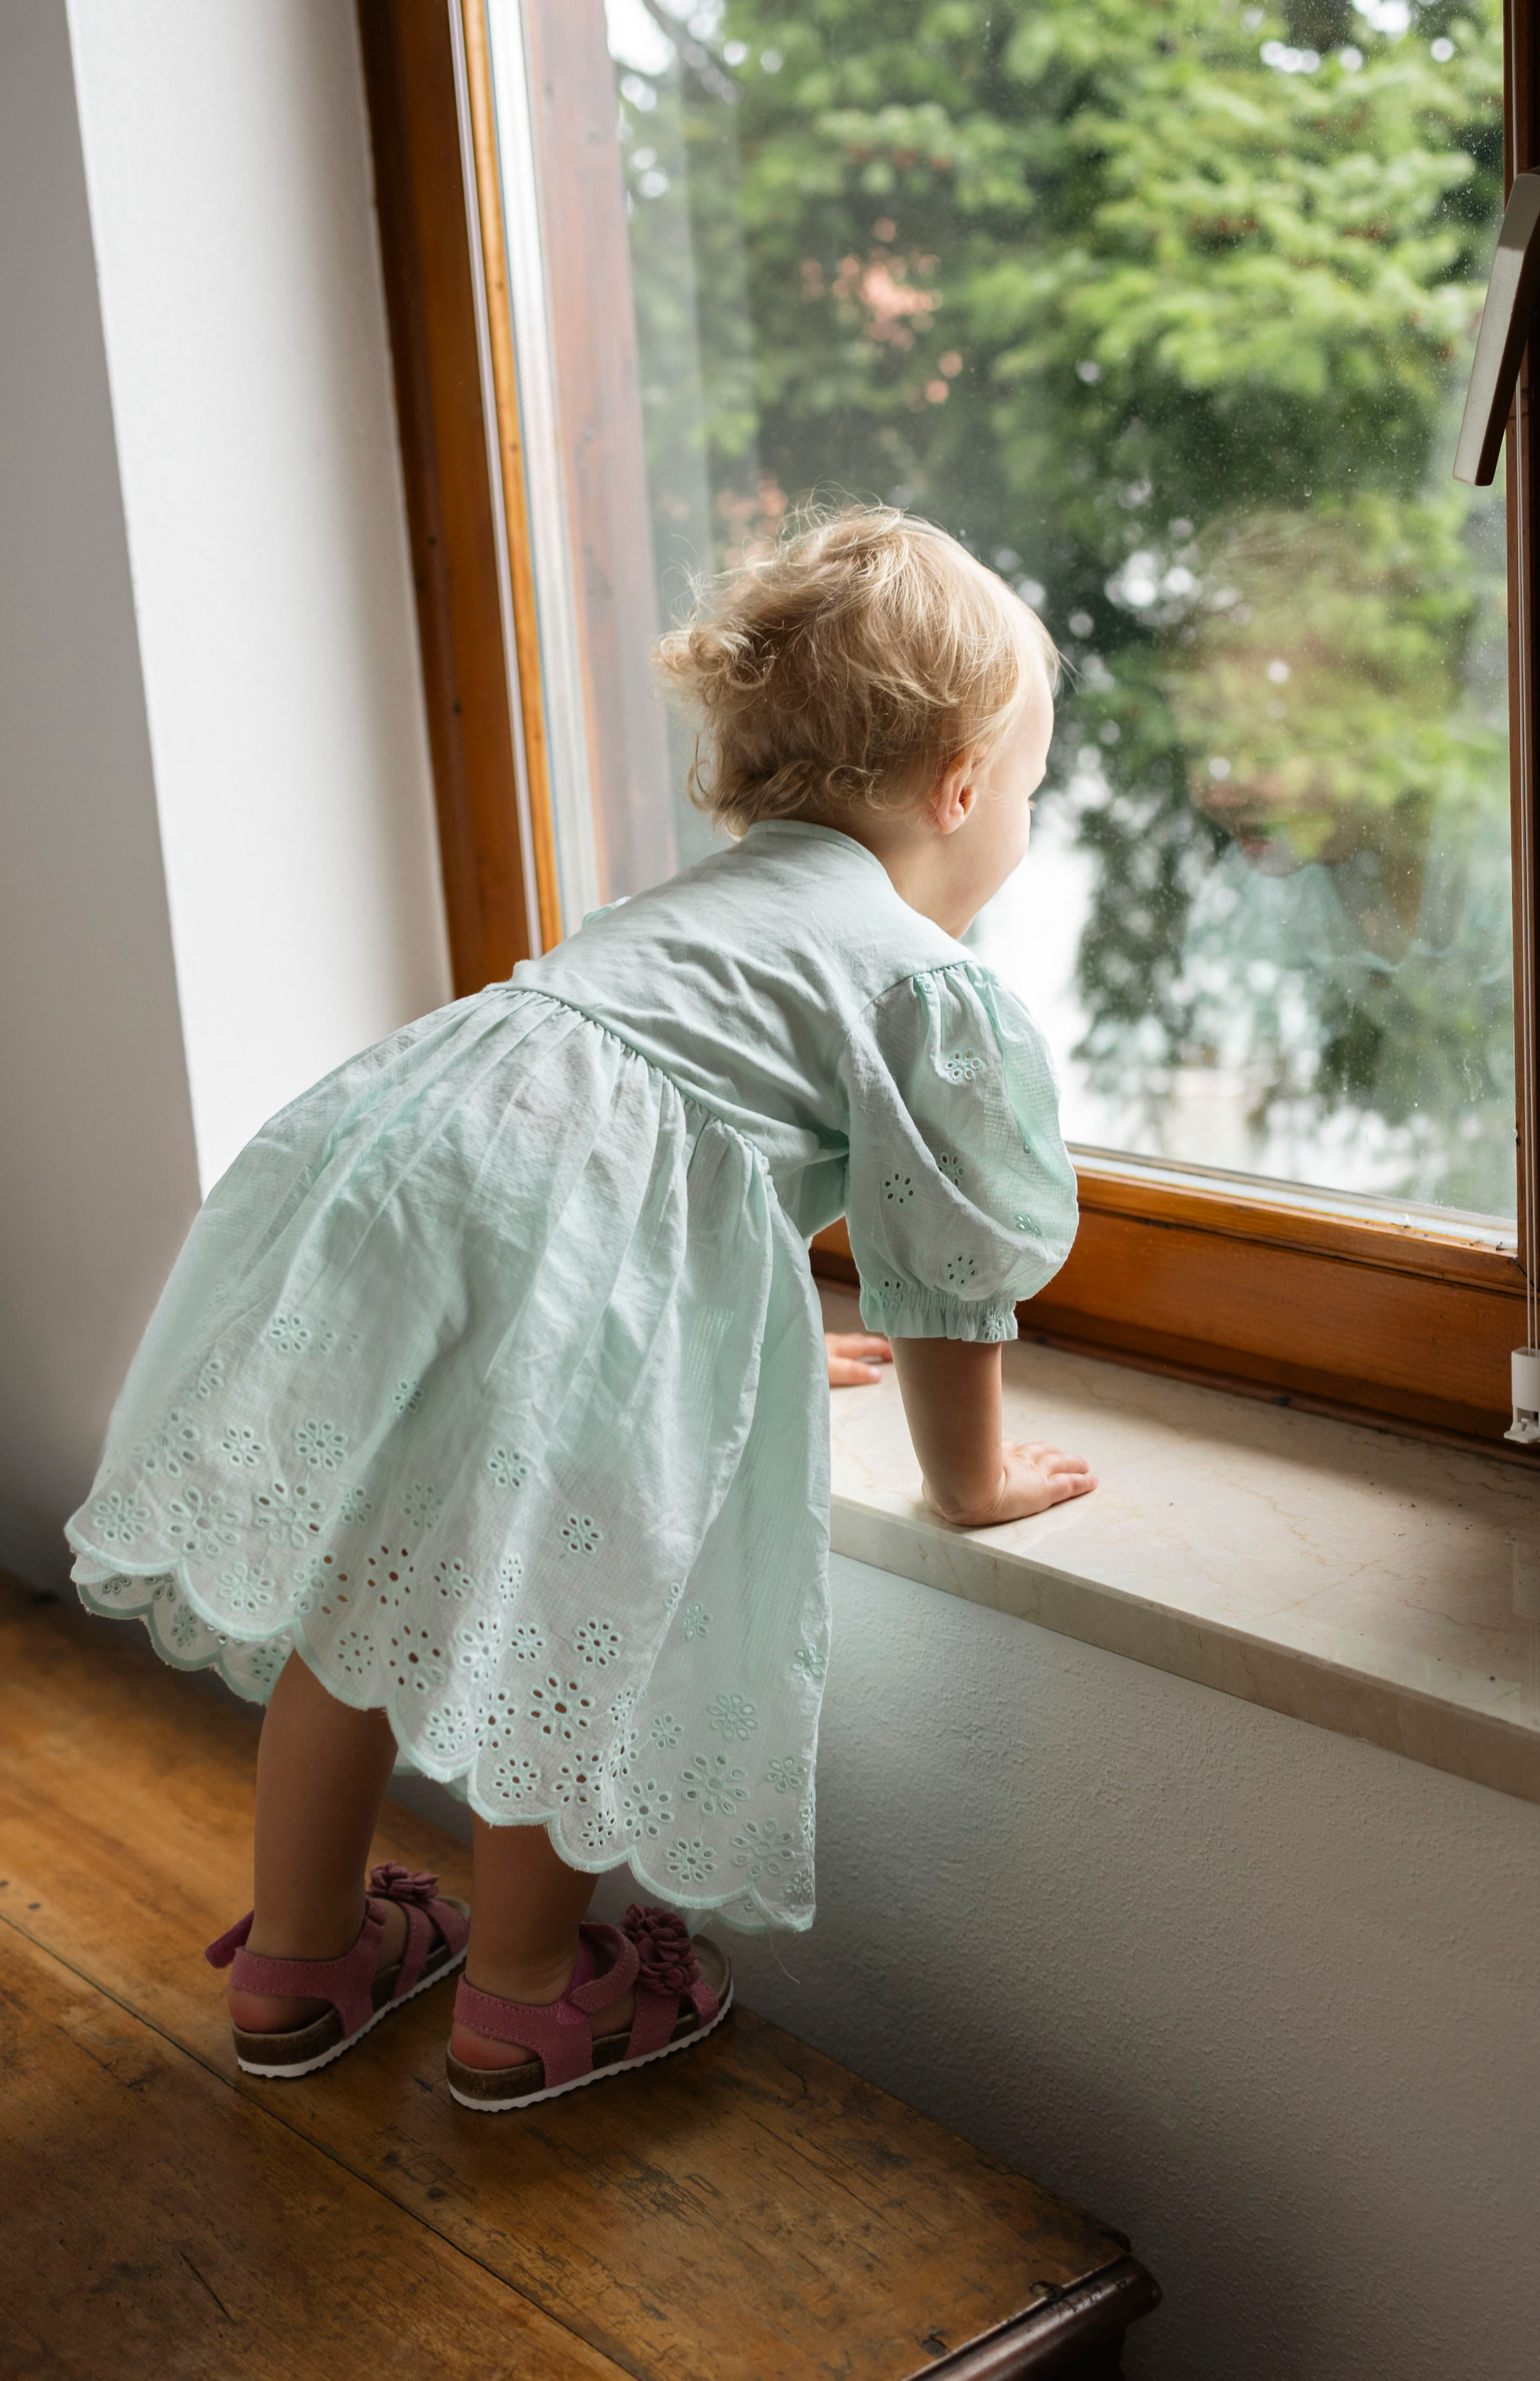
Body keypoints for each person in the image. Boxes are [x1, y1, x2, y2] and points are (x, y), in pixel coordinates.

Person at [64, 505, 1096, 2113]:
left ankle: (299, 1955)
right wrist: (969, 1481)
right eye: (1026, 789)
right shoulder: (915, 973)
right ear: (962, 782)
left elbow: (654, 1164)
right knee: (571, 1628)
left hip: (401, 1176)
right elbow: (942, 1267)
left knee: (359, 1590)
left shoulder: (695, 907)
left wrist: (749, 1333)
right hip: (544, 1233)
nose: (1017, 817)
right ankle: (525, 2000)